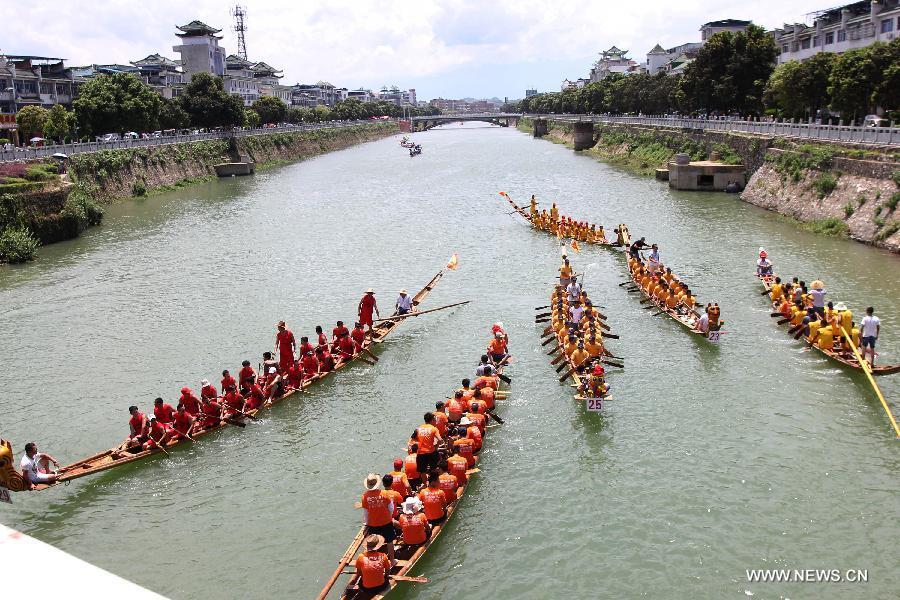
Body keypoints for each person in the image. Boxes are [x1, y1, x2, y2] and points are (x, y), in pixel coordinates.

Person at [360, 474, 397, 564]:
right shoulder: (385, 494)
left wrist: (367, 524)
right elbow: (391, 508)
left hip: (373, 524)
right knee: (389, 541)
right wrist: (389, 516)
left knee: (375, 543)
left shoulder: (364, 496)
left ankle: (377, 561)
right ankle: (392, 560)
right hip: (386, 522)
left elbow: (366, 513)